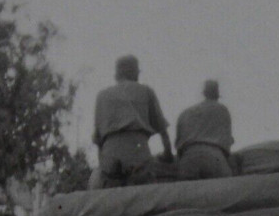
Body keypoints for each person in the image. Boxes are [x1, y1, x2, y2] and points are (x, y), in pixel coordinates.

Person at [89, 55, 172, 189]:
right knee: (143, 197)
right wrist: (168, 155)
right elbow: (162, 130)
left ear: (117, 74)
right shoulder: (146, 91)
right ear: (134, 72)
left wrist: (103, 163)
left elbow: (98, 139)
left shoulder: (102, 95)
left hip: (110, 151)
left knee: (109, 200)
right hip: (137, 149)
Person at [175, 80, 234, 180]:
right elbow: (227, 142)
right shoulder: (222, 109)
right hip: (214, 155)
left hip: (188, 158)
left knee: (187, 194)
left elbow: (177, 144)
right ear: (217, 94)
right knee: (225, 191)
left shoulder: (186, 113)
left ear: (204, 93)